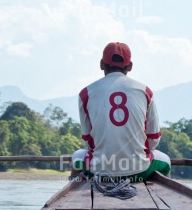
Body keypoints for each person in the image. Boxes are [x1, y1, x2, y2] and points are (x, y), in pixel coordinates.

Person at [71, 42, 170, 182]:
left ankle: (74, 193)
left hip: (99, 173)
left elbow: (88, 140)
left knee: (77, 155)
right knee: (165, 160)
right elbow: (153, 139)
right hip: (139, 172)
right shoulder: (145, 91)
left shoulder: (85, 93)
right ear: (130, 66)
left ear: (101, 64)